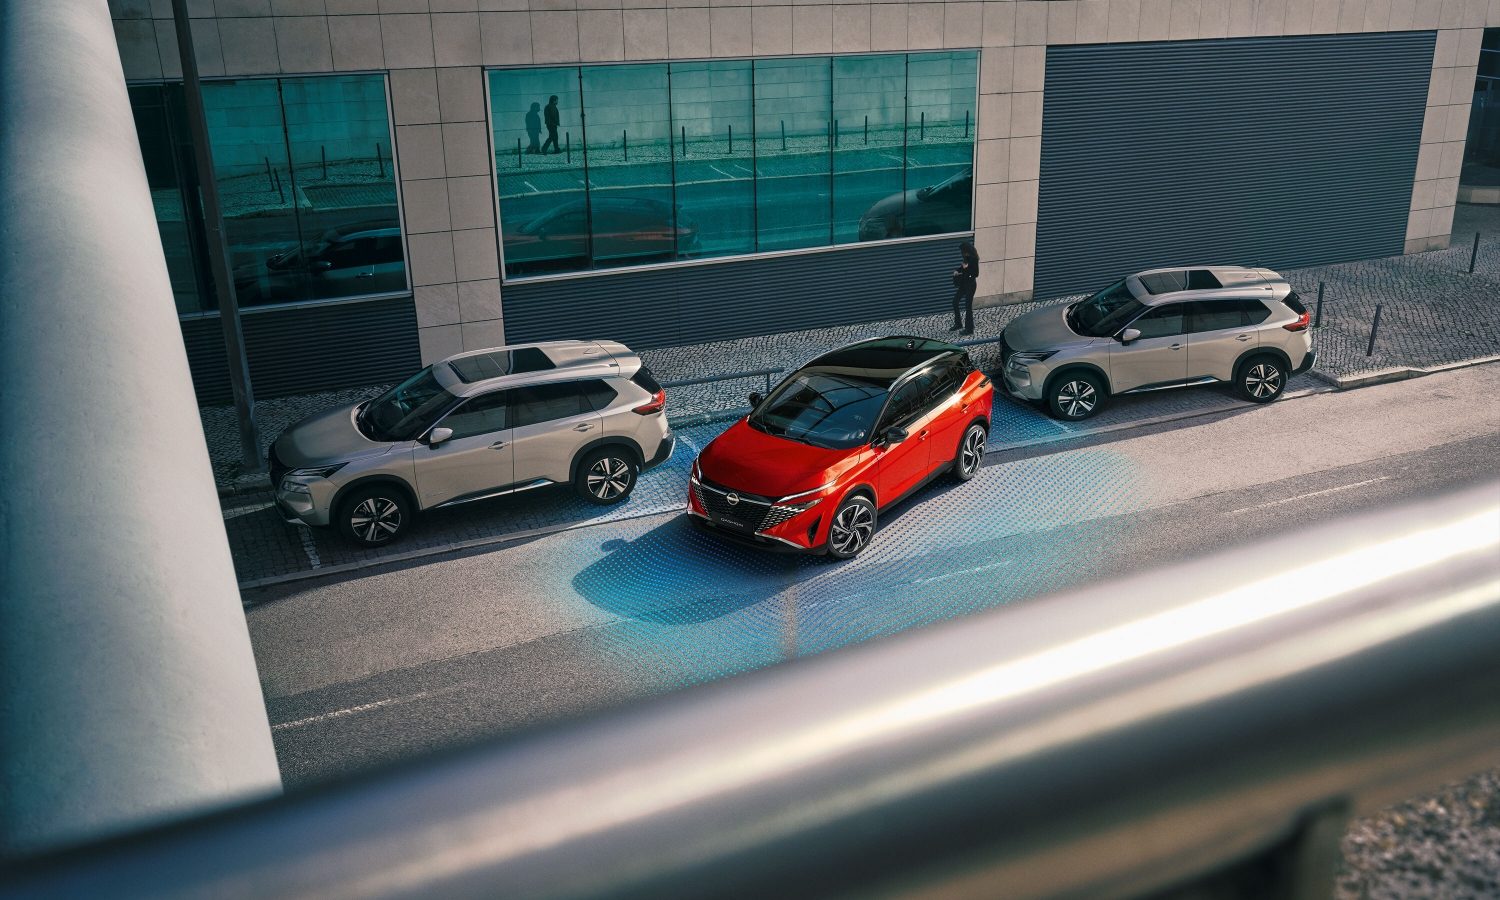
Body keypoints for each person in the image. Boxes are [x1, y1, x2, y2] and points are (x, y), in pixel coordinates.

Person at [951, 241, 979, 335]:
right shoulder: (966, 257)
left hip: (971, 285)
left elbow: (976, 274)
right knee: (955, 302)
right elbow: (962, 268)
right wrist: (957, 271)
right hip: (964, 284)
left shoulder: (974, 259)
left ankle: (969, 329)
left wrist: (967, 268)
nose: (962, 253)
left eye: (963, 251)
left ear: (967, 250)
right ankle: (958, 324)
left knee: (968, 307)